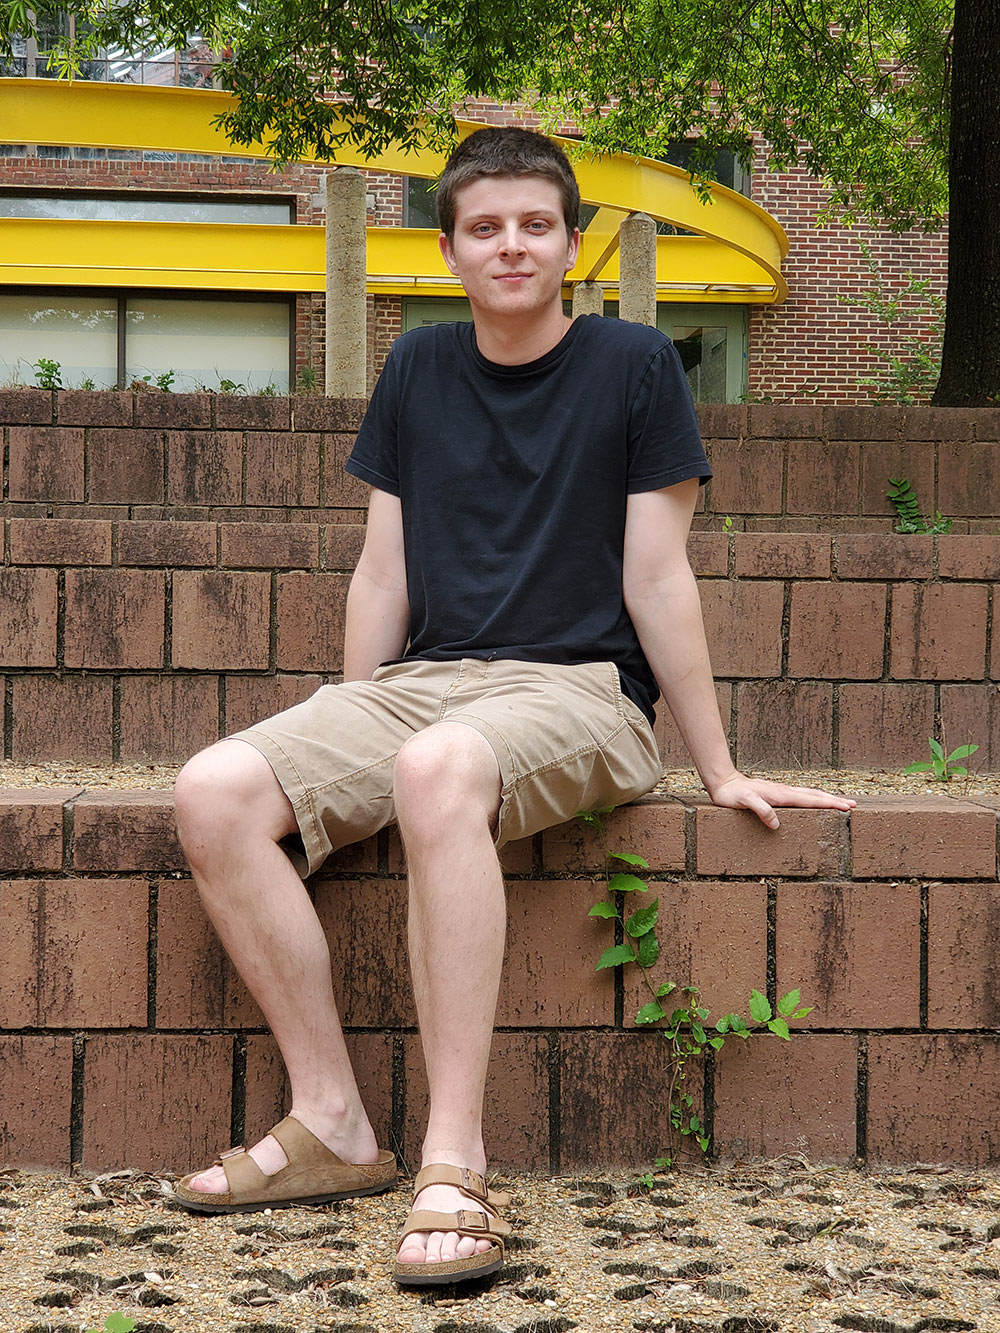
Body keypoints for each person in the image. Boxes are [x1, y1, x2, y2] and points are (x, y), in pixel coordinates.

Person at [171, 127, 855, 1286]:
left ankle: (453, 1158)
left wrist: (716, 762)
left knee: (439, 767)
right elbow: (382, 573)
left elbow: (658, 577)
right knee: (216, 788)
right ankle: (332, 1120)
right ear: (448, 249)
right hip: (421, 684)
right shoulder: (417, 367)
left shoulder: (636, 365)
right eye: (484, 226)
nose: (511, 245)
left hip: (578, 689)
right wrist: (341, 724)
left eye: (536, 223)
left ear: (572, 244)